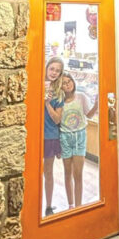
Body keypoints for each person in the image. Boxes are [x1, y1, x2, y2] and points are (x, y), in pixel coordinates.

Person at [59, 73, 98, 209]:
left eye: (69, 81)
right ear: (60, 87)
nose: (68, 84)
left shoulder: (81, 97)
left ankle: (79, 206)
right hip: (65, 137)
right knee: (67, 172)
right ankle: (71, 205)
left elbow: (89, 114)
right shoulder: (59, 102)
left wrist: (97, 104)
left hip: (80, 137)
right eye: (64, 83)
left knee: (78, 173)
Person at [43, 56, 65, 216]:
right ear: (46, 68)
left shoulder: (59, 94)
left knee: (48, 172)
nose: (54, 73)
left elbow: (58, 119)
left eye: (57, 71)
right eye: (52, 69)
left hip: (50, 136)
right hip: (34, 135)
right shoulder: (37, 85)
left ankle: (48, 206)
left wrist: (47, 103)